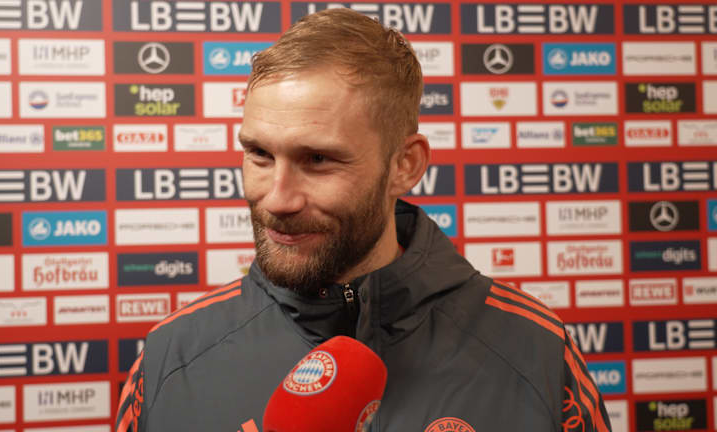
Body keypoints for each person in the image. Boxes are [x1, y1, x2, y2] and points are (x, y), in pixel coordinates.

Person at [116, 8, 611, 432]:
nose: (278, 199)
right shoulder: (171, 357)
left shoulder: (538, 353)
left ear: (405, 165)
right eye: (260, 154)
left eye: (318, 160)